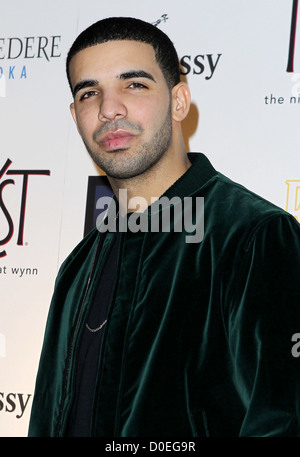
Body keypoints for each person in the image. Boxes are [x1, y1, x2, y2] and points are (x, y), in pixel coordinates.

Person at [28, 16, 300, 437]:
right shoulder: (77, 268)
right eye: (89, 93)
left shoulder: (254, 238)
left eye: (134, 84)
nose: (108, 108)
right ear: (75, 113)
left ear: (179, 101)